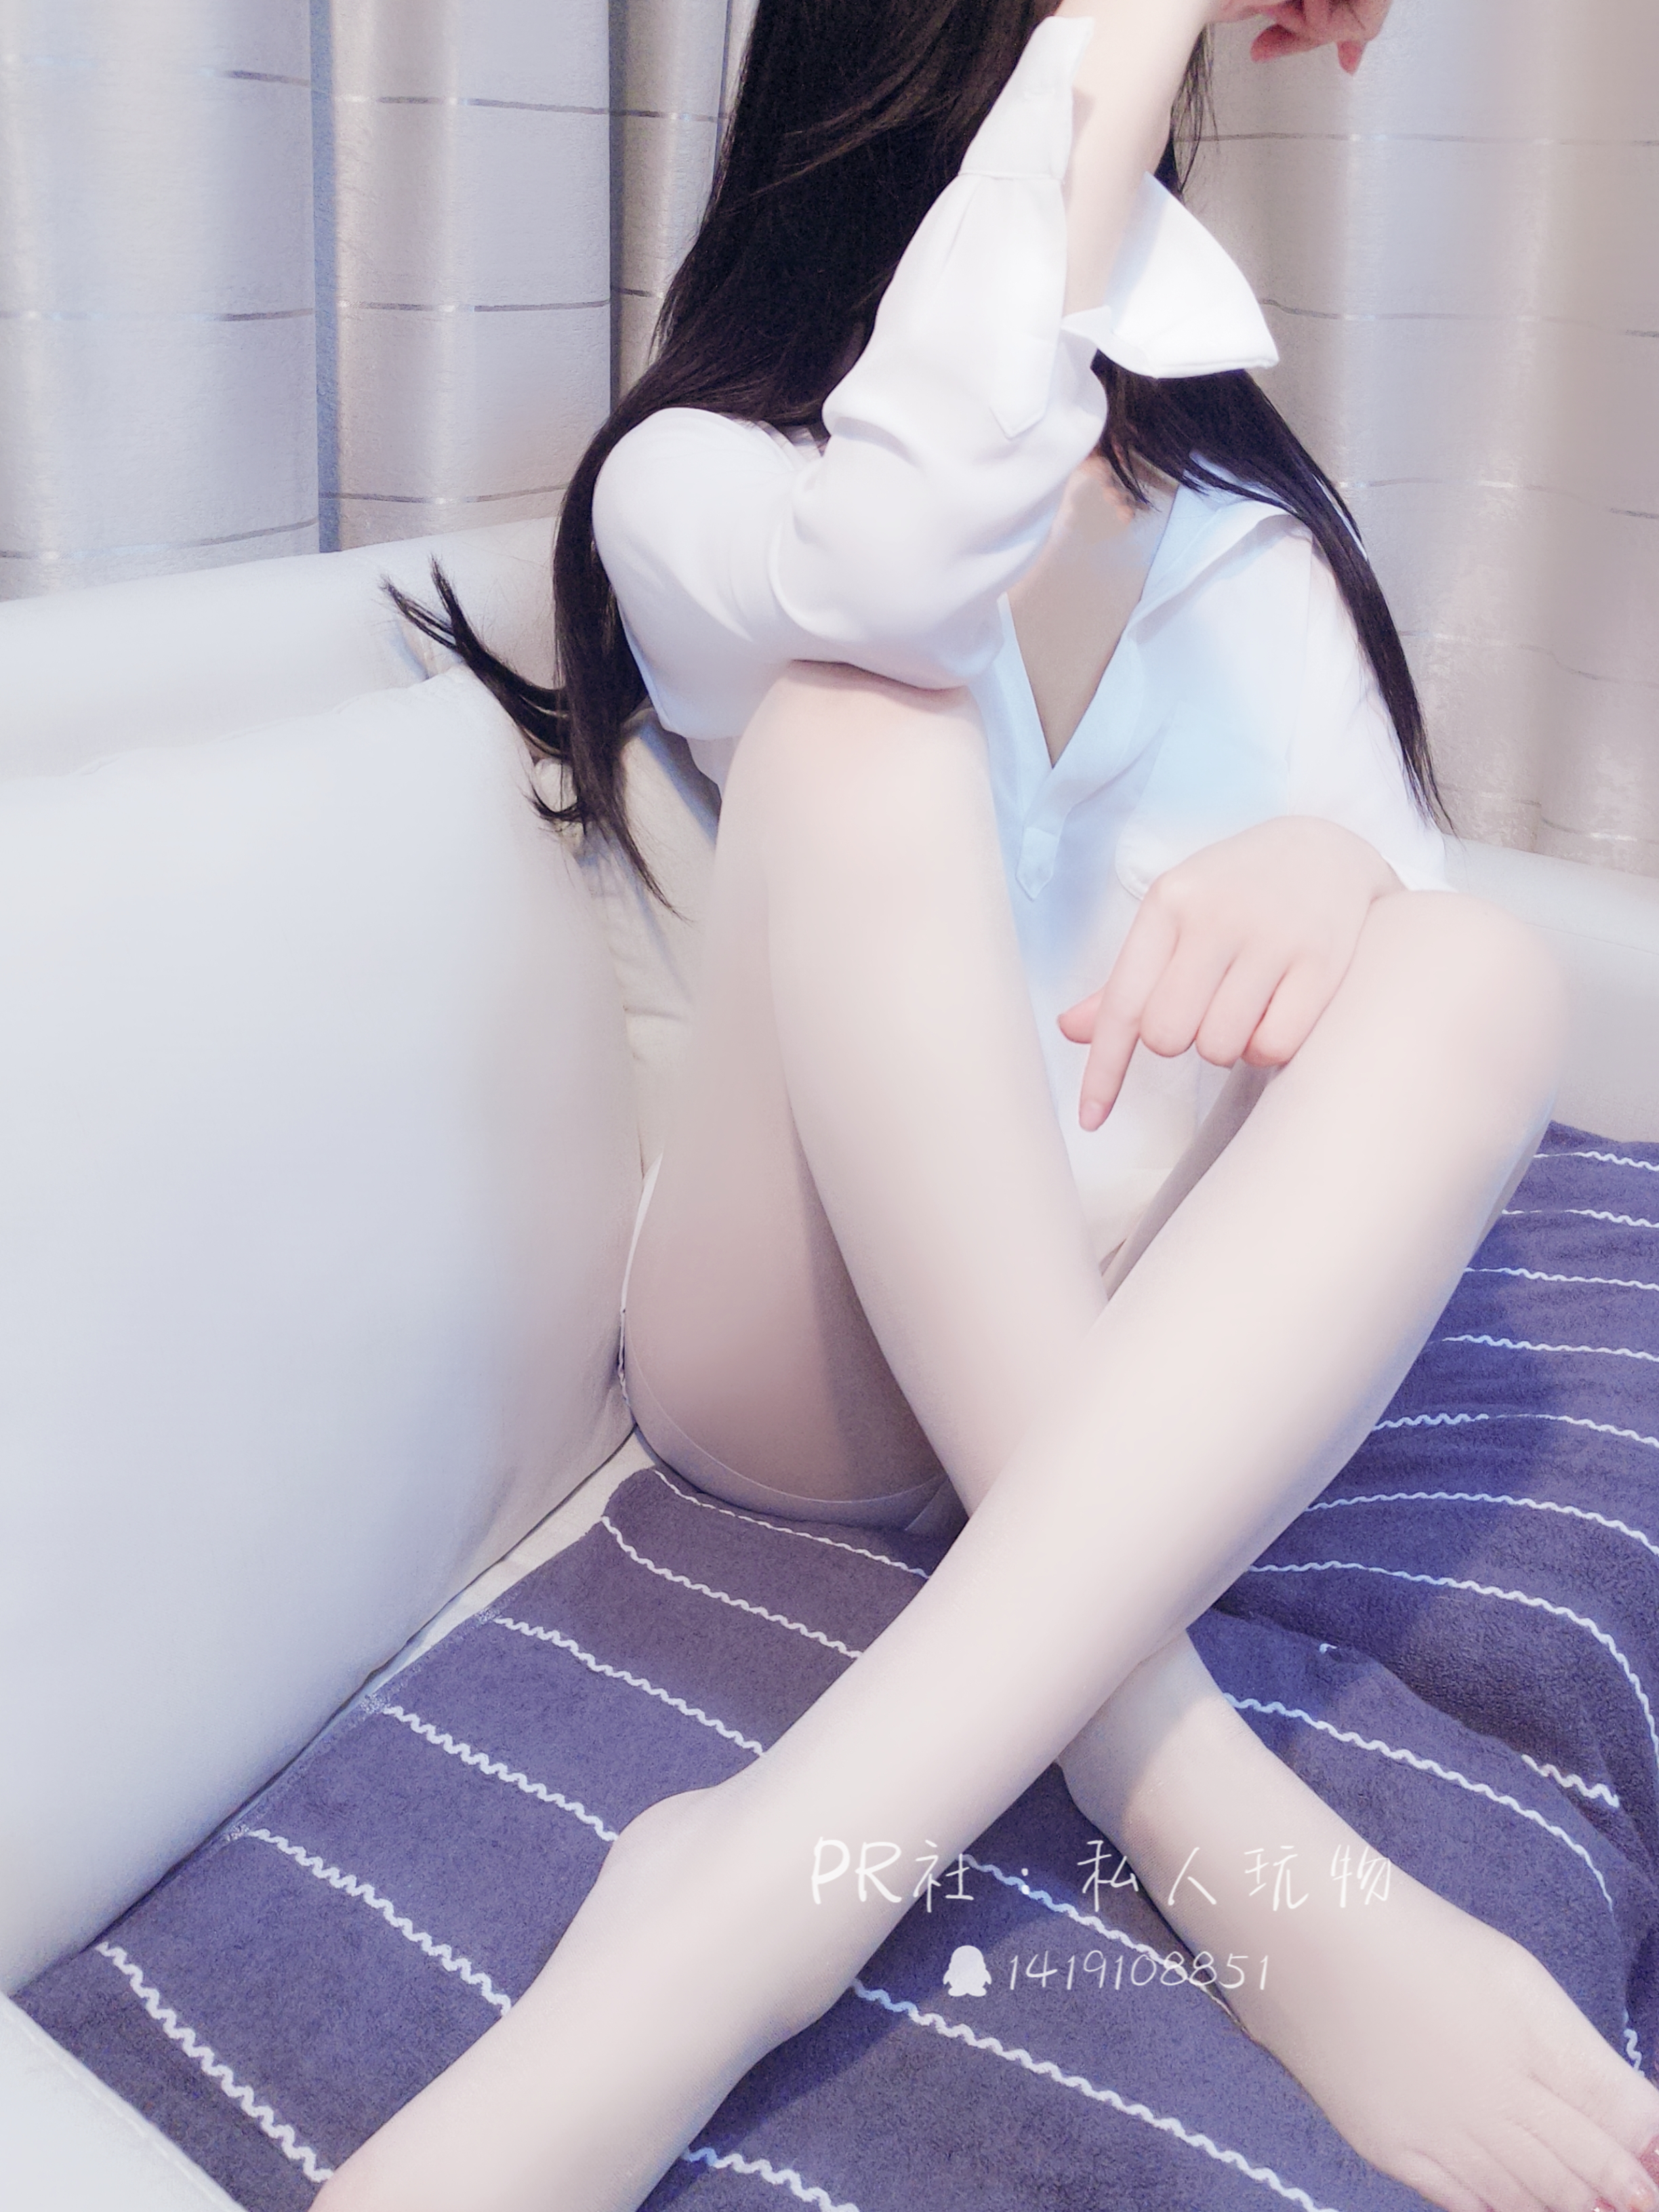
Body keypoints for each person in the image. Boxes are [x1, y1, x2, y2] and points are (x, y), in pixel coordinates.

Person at [322, 4, 1659, 2209]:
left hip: (1139, 1323)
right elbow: (905, 570)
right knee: (868, 724)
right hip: (808, 1350)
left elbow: (1392, 923)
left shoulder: (1243, 513)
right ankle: (1144, 1845)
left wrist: (1337, 883)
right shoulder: (705, 478)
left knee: (1480, 964)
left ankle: (738, 1877)